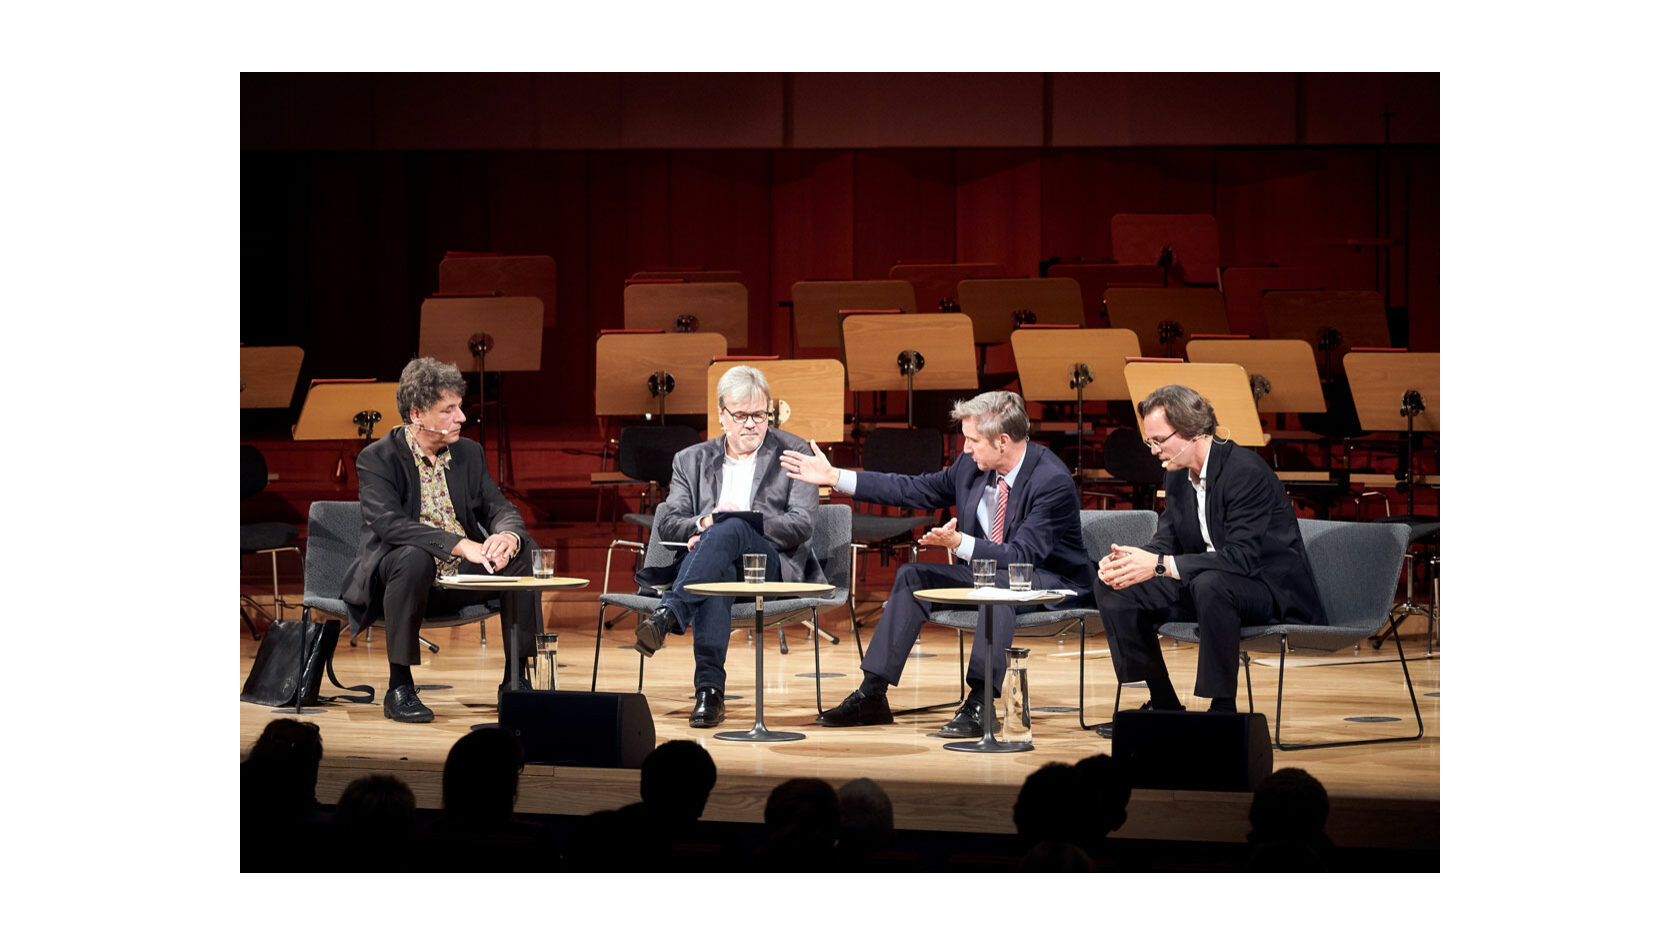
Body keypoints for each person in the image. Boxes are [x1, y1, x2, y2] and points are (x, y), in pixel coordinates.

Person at [781, 391, 1092, 737]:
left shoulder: (1052, 481)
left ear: (1003, 441)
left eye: (973, 440)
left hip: (1050, 581)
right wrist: (836, 477)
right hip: (990, 575)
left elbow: (1021, 558)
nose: (966, 449)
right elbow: (912, 489)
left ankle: (980, 702)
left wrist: (961, 543)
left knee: (999, 585)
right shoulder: (971, 466)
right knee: (914, 577)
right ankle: (872, 694)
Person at [1090, 384, 1325, 732]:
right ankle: (1163, 701)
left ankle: (1221, 709)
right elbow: (1167, 539)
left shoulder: (1245, 472)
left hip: (1265, 589)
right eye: (1149, 442)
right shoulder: (1176, 475)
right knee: (1116, 586)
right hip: (1206, 584)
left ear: (1192, 431)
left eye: (1159, 440)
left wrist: (1159, 566)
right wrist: (1132, 561)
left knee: (1212, 583)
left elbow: (1242, 559)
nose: (1153, 450)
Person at [339, 357, 540, 723]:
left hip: (457, 577)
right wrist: (458, 544)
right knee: (413, 557)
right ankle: (399, 686)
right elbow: (389, 525)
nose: (461, 417)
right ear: (417, 415)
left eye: (459, 407)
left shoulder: (468, 453)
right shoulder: (378, 458)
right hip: (401, 577)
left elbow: (498, 506)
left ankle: (515, 681)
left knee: (521, 554)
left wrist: (507, 535)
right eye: (449, 410)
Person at [633, 365, 825, 728]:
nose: (751, 424)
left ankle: (669, 613)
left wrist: (741, 523)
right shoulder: (690, 460)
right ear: (722, 414)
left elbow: (801, 524)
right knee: (716, 571)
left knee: (733, 525)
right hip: (707, 566)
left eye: (759, 415)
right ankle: (709, 694)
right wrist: (705, 524)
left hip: (769, 567)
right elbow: (670, 522)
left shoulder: (794, 451)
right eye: (741, 415)